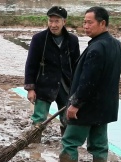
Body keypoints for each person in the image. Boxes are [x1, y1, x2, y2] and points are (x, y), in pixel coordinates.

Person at [60, 6, 121, 162]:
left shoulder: (96, 48)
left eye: (90, 22)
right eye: (84, 22)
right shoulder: (116, 45)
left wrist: (76, 104)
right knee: (99, 143)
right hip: (105, 106)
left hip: (87, 107)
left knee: (70, 141)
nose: (86, 26)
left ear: (102, 23)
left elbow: (88, 81)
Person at [24, 6, 80, 139]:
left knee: (67, 119)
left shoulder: (72, 40)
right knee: (39, 118)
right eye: (51, 21)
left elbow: (77, 65)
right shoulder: (39, 39)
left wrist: (77, 89)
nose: (53, 25)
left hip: (66, 85)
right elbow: (31, 64)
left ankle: (67, 144)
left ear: (64, 22)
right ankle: (34, 142)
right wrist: (30, 89)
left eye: (57, 21)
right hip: (44, 84)